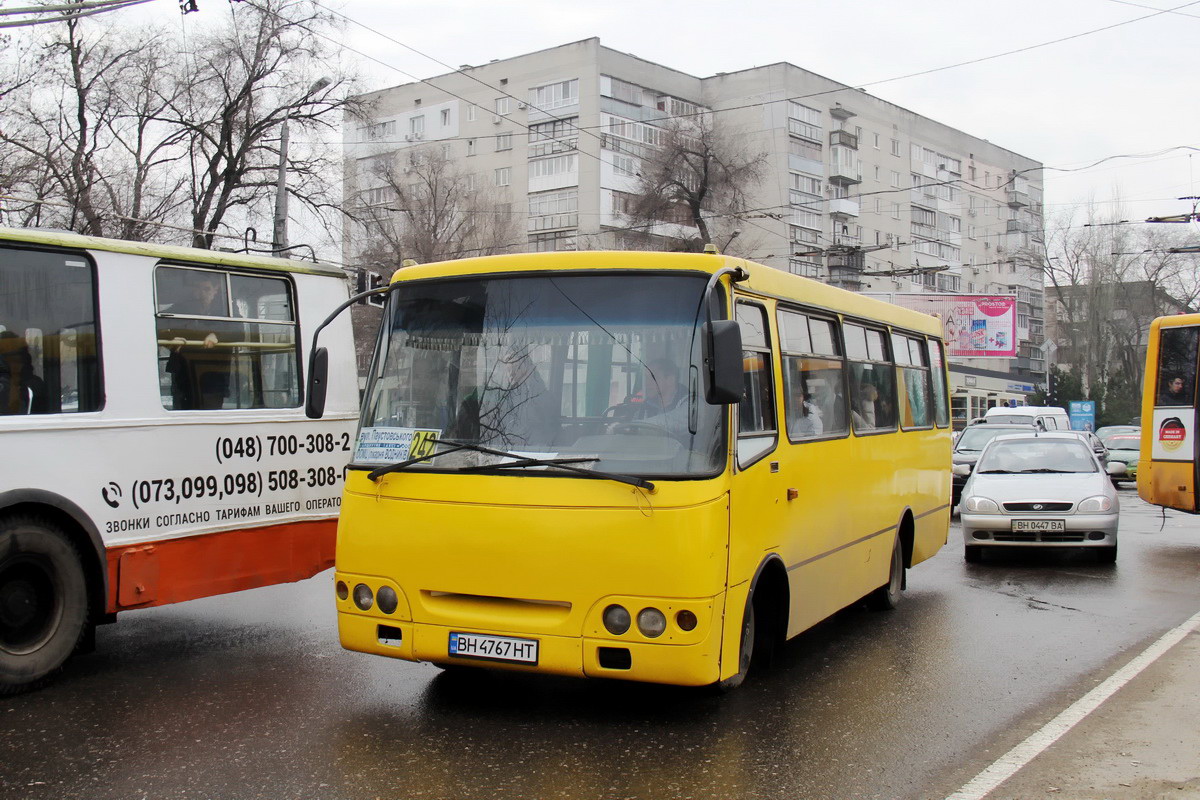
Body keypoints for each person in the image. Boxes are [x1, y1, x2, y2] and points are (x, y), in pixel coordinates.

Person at [161, 271, 231, 410]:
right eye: (197, 289)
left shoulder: (226, 307)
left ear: (216, 290)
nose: (201, 294)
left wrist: (216, 335)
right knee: (183, 411)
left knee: (211, 414)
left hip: (213, 373)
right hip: (184, 372)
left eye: (206, 289)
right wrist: (170, 339)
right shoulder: (181, 307)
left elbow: (240, 331)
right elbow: (160, 323)